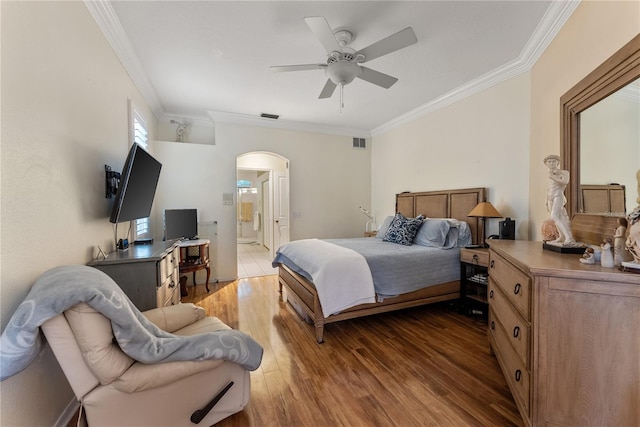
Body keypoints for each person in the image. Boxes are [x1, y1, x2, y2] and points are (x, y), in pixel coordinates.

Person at [544, 154, 577, 246]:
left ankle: (569, 238)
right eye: (549, 162)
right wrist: (546, 201)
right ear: (546, 164)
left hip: (558, 195)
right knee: (559, 217)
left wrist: (553, 176)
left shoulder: (564, 172)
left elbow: (565, 181)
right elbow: (548, 188)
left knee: (554, 216)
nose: (551, 163)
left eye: (553, 161)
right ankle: (562, 236)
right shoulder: (549, 174)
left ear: (557, 162)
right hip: (550, 198)